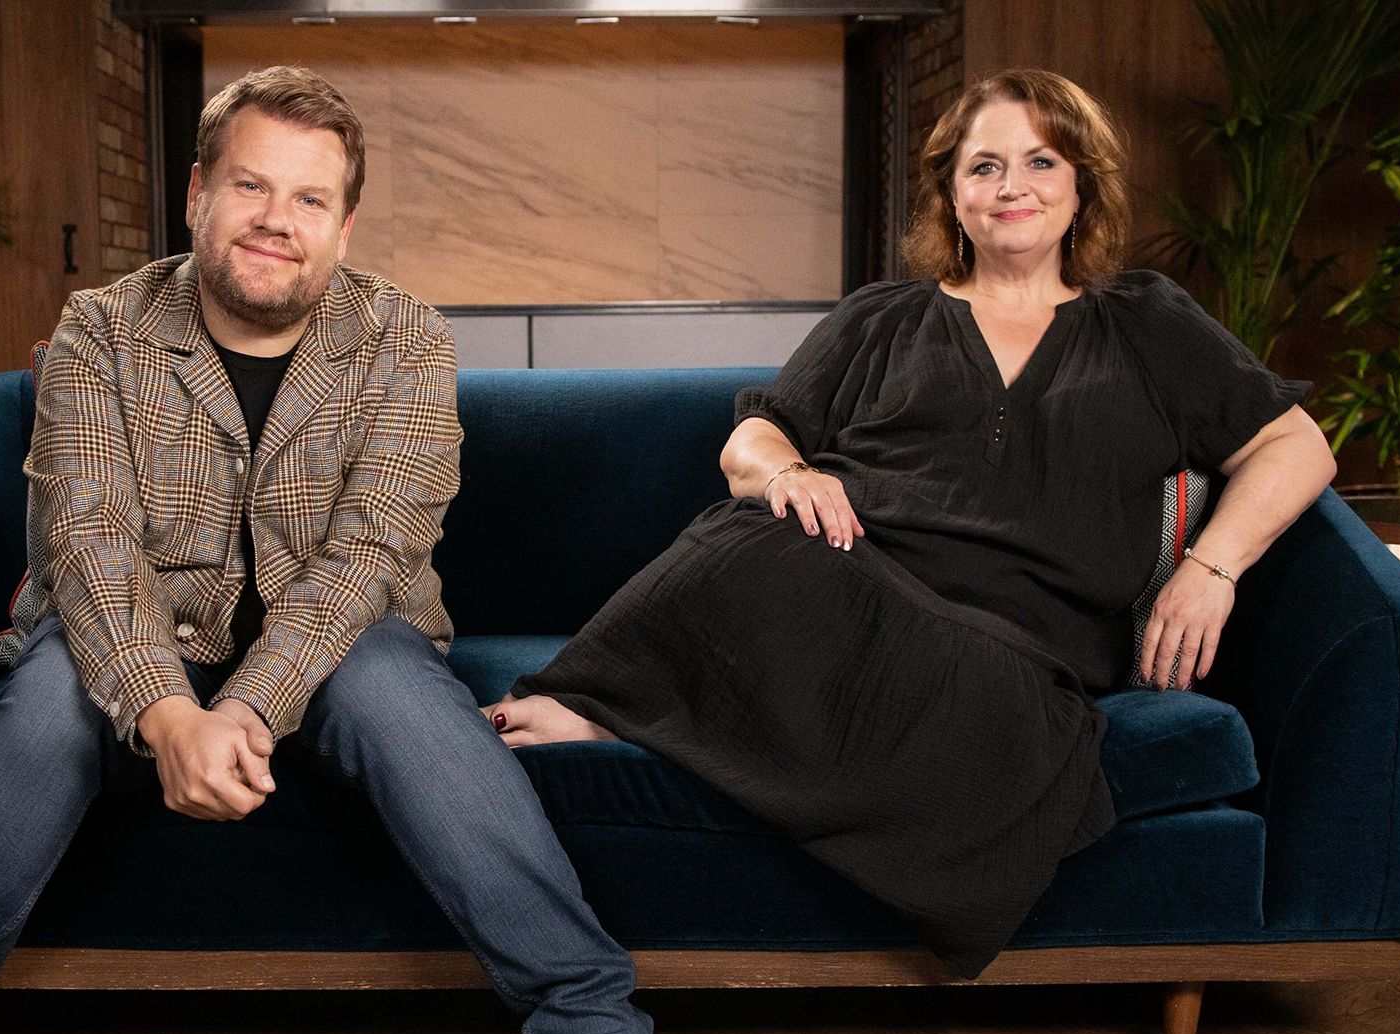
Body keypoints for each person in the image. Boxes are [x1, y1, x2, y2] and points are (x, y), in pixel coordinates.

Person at [0, 67, 653, 1034]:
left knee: (400, 697)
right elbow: (90, 541)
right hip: (133, 634)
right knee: (46, 708)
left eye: (310, 199)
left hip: (348, 640)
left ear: (345, 226)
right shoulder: (99, 330)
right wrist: (170, 718)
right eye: (251, 187)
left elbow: (369, 555)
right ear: (197, 195)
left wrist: (249, 708)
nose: (276, 221)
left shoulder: (407, 339)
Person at [485, 68, 1338, 979]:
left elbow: (1296, 447)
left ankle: (669, 724)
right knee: (744, 534)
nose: (1012, 187)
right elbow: (751, 440)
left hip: (1014, 657)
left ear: (1082, 182)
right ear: (951, 195)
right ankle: (621, 716)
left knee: (993, 713)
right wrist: (790, 472)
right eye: (984, 167)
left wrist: (1211, 568)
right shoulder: (880, 317)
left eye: (1040, 161)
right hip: (846, 596)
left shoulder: (1147, 320)